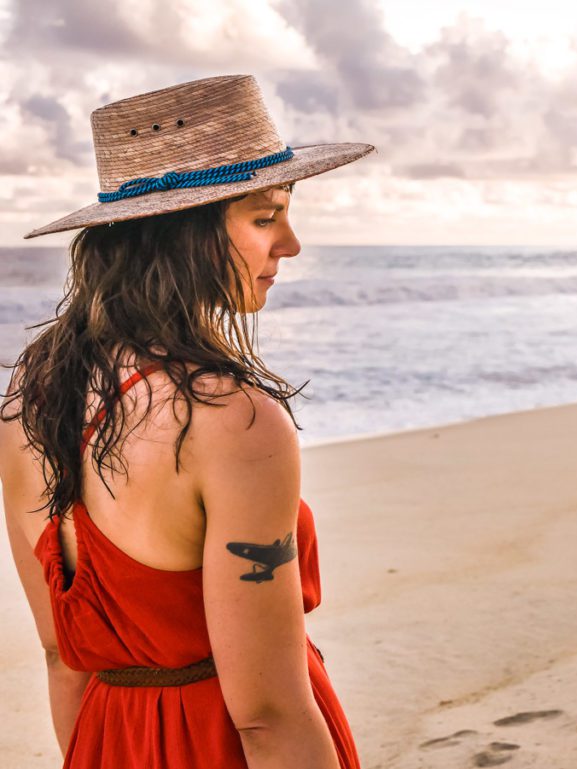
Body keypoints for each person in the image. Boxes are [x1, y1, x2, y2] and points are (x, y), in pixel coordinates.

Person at [0, 75, 374, 768]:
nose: (289, 243)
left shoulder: (27, 402)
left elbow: (62, 657)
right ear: (184, 231)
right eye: (265, 217)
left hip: (105, 740)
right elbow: (265, 714)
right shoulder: (231, 422)